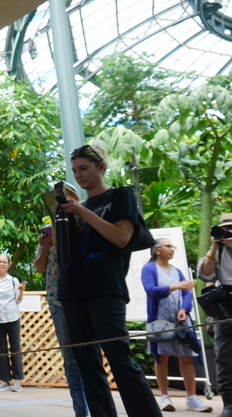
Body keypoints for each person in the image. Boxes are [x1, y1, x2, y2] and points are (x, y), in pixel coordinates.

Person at [58, 143, 162, 417]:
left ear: (101, 167)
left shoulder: (120, 196)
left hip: (106, 287)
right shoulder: (77, 207)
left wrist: (82, 212)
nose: (79, 175)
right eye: (74, 171)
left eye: (84, 168)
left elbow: (122, 237)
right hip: (72, 289)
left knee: (119, 359)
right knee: (87, 364)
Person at [35, 182, 89, 417]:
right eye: (57, 200)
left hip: (84, 298)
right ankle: (80, 410)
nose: (61, 204)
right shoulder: (48, 229)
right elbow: (39, 268)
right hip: (57, 300)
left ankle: (97, 405)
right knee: (70, 357)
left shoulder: (84, 226)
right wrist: (45, 249)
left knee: (89, 354)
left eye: (66, 199)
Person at [142, 238, 211, 412]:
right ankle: (164, 396)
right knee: (161, 356)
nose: (172, 250)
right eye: (168, 246)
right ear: (157, 250)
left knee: (186, 357)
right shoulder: (149, 269)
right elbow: (151, 290)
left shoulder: (177, 271)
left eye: (173, 246)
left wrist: (184, 309)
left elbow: (187, 292)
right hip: (160, 320)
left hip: (180, 320)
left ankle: (192, 398)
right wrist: (176, 286)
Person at [197, 212, 232, 417]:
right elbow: (205, 274)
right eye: (224, 229)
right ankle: (229, 403)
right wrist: (214, 246)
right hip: (224, 306)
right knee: (224, 356)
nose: (227, 233)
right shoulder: (217, 251)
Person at [0, 253, 26, 392]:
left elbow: (18, 300)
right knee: (1, 349)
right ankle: (5, 381)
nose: (1, 264)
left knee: (15, 347)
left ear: (8, 265)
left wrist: (21, 291)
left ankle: (17, 381)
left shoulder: (13, 281)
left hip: (12, 316)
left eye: (4, 262)